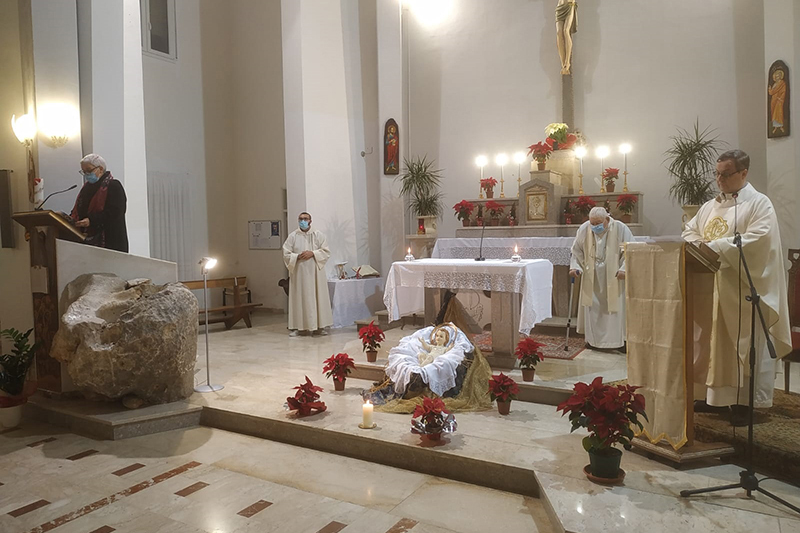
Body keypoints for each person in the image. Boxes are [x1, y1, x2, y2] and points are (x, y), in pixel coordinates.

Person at [682, 149, 791, 425]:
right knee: (709, 344)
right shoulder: (710, 206)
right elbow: (689, 231)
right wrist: (699, 245)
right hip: (711, 287)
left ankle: (745, 403)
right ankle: (715, 398)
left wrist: (715, 247)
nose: (719, 180)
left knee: (743, 345)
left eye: (726, 174)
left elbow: (760, 240)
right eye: (717, 174)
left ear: (743, 173)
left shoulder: (759, 204)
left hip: (742, 290)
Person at [569, 206, 634, 351]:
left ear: (606, 219)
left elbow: (630, 250)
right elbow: (576, 250)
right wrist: (575, 267)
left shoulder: (620, 228)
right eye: (592, 223)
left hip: (614, 276)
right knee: (593, 309)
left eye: (598, 223)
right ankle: (593, 341)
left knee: (614, 310)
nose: (594, 226)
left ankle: (617, 342)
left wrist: (624, 269)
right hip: (591, 277)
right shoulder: (585, 228)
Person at [282, 211, 333, 336]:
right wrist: (297, 256)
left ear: (310, 221)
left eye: (305, 219)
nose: (302, 221)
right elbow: (286, 253)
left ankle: (319, 327)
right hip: (299, 273)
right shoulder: (293, 236)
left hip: (315, 273)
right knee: (299, 298)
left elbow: (326, 251)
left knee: (317, 297)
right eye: (300, 219)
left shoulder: (318, 235)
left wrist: (313, 253)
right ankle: (299, 328)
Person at [71, 154, 128, 253]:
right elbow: (80, 209)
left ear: (100, 169)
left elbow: (115, 212)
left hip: (111, 241)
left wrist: (91, 220)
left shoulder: (114, 186)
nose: (86, 174)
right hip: (87, 241)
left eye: (89, 170)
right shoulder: (86, 188)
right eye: (84, 171)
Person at [556, 0, 578, 75]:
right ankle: (563, 64)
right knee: (559, 32)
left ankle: (567, 62)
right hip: (560, 6)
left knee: (566, 30)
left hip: (569, 5)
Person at [768, 69, 787, 135]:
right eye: (776, 76)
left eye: (778, 75)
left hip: (779, 101)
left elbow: (784, 91)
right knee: (774, 113)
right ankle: (775, 127)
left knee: (779, 113)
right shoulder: (775, 84)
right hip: (774, 100)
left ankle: (781, 126)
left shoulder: (782, 83)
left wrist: (780, 98)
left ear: (781, 76)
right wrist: (770, 89)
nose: (777, 77)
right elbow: (771, 93)